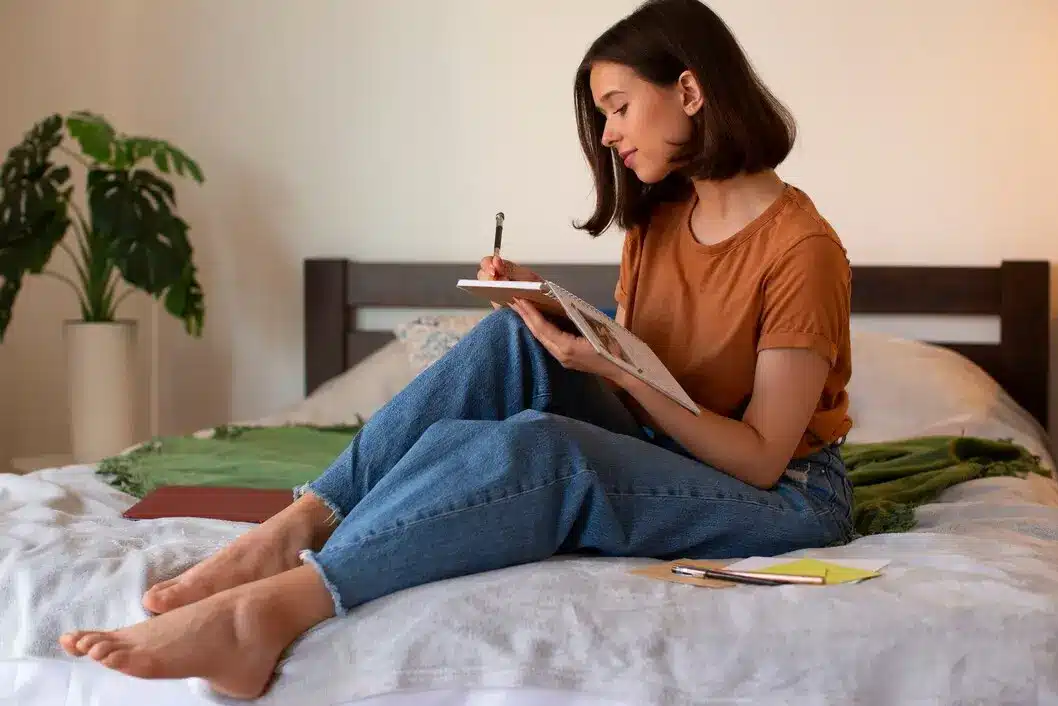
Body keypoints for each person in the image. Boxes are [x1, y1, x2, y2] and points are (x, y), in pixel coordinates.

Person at [59, 0, 854, 699]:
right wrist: (561, 313)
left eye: (618, 107)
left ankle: (268, 611)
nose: (608, 135)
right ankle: (291, 528)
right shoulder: (660, 218)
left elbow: (755, 458)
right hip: (673, 445)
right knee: (514, 337)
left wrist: (611, 369)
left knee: (545, 450)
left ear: (688, 89)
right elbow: (659, 368)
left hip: (781, 494)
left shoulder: (801, 251)